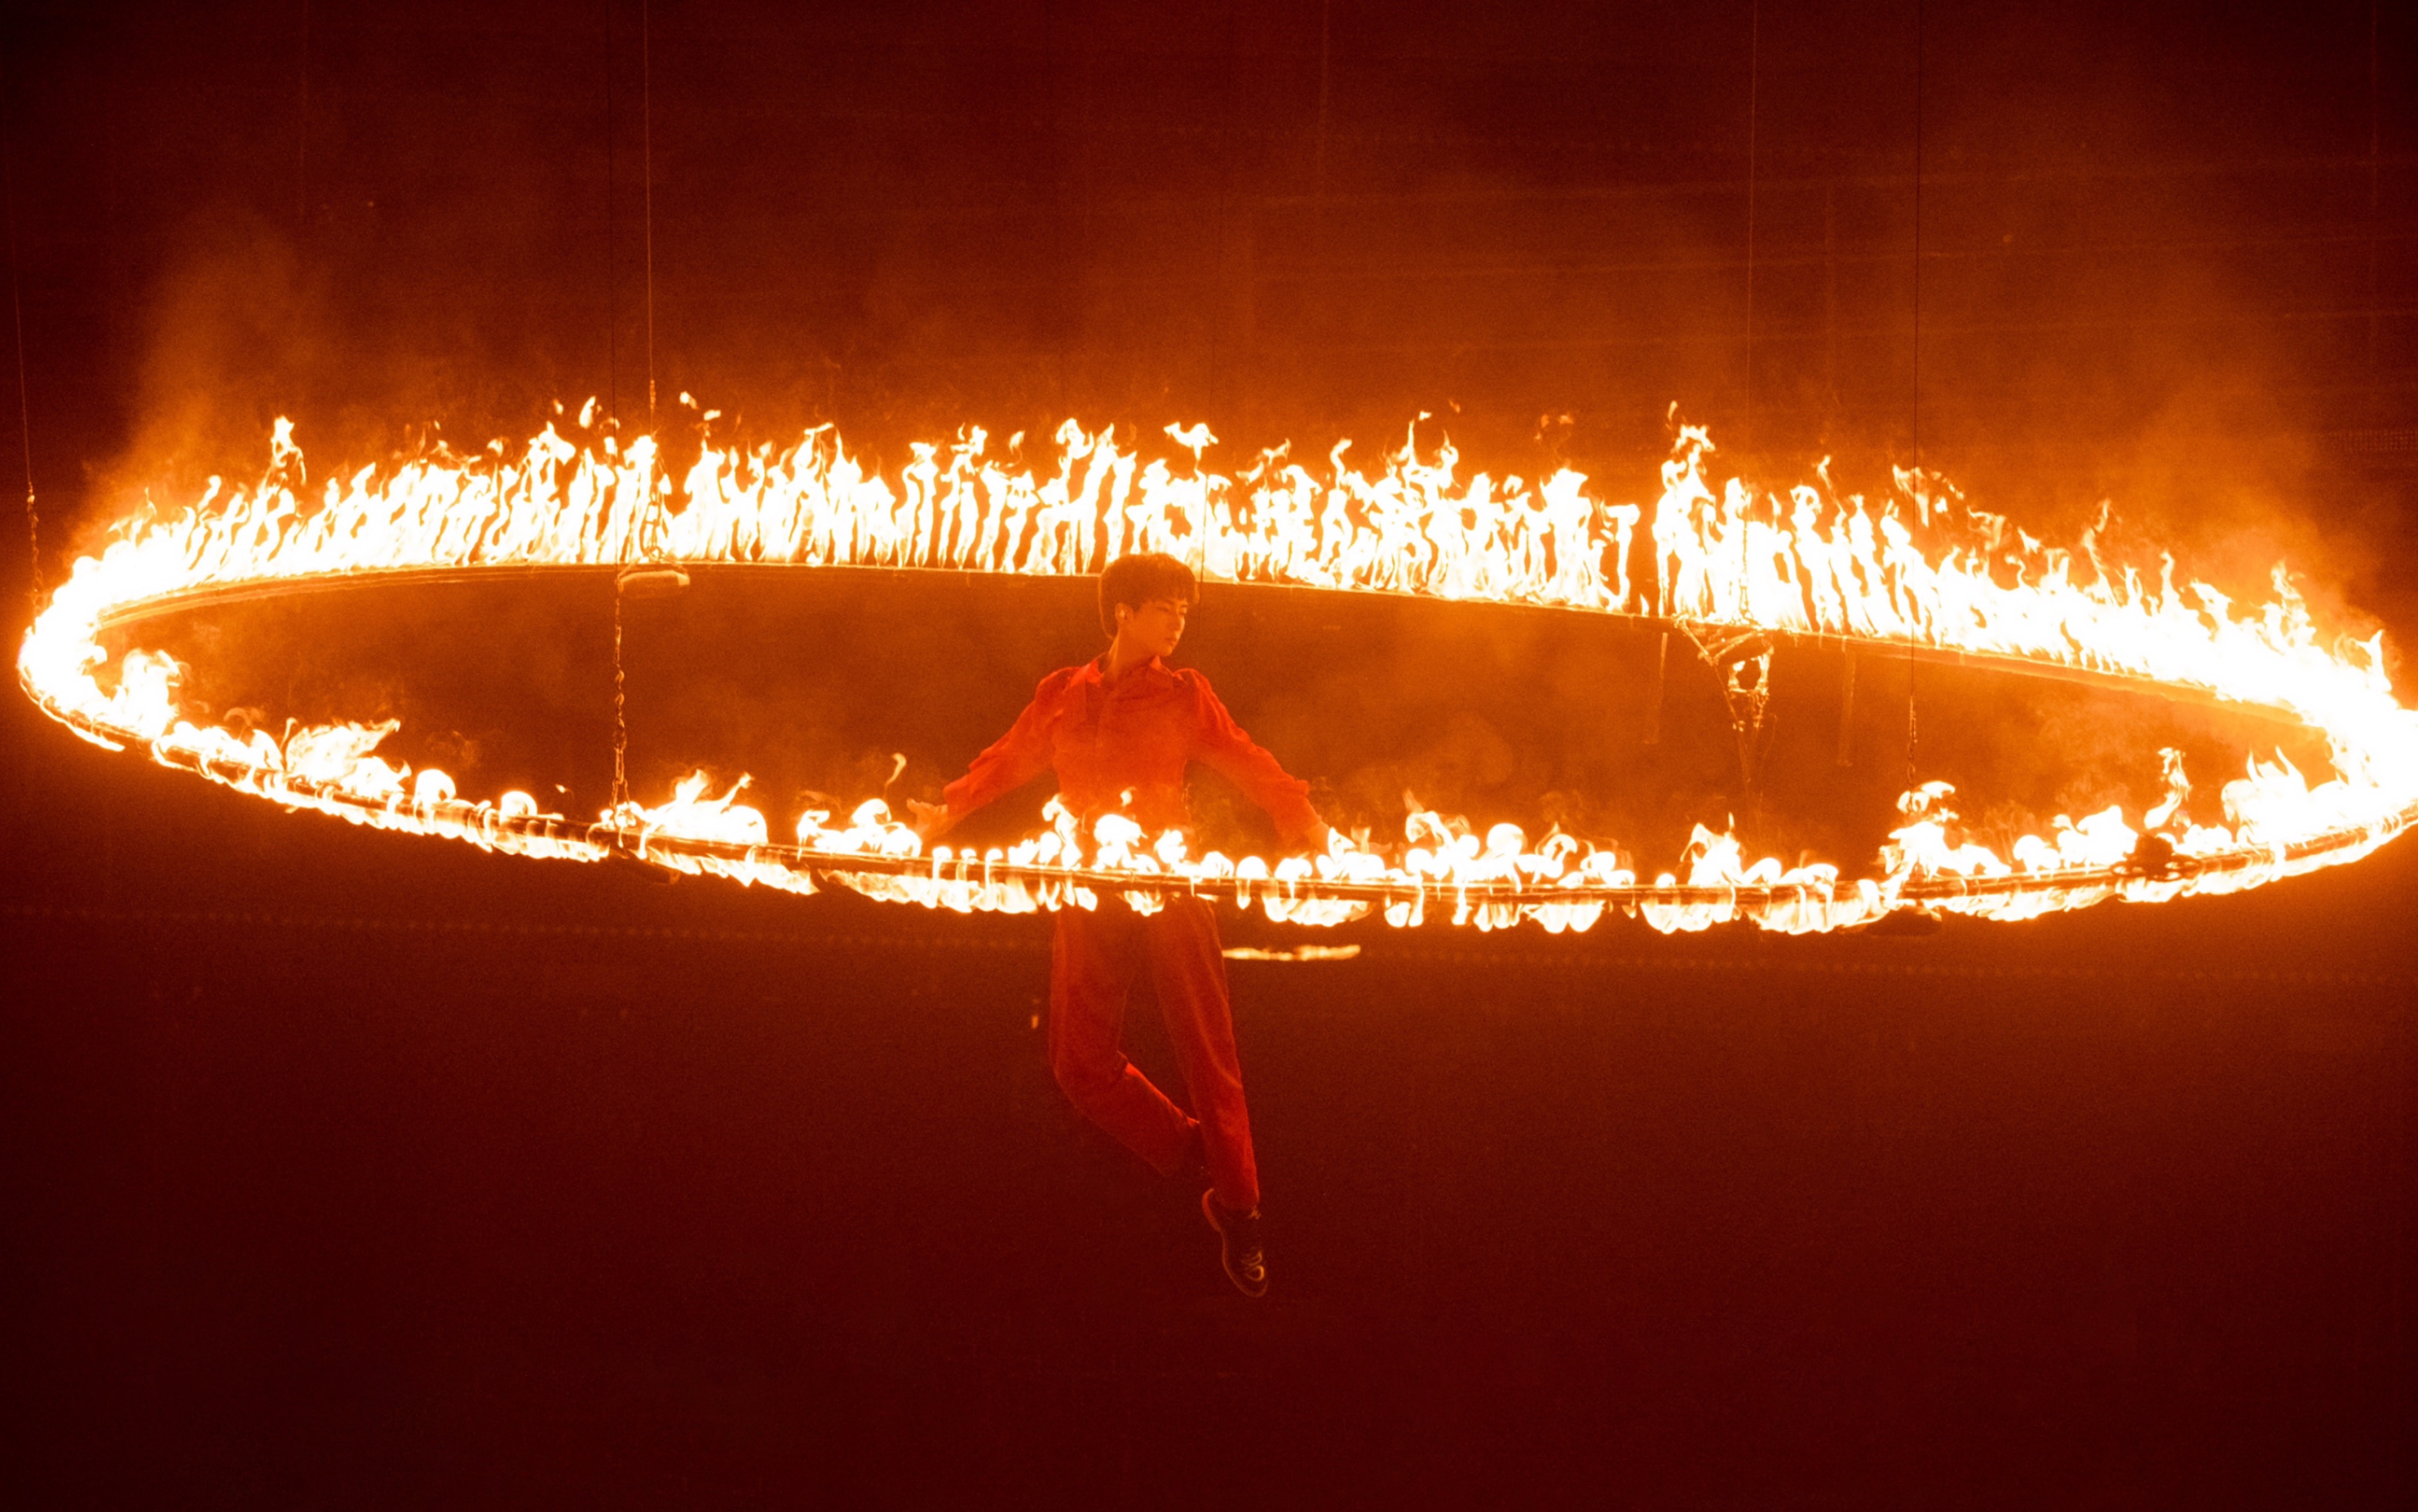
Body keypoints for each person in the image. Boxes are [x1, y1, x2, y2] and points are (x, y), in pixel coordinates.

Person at [911, 552, 1329, 1298]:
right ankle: (1194, 1148)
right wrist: (951, 811)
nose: (1177, 619)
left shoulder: (1183, 694)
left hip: (1164, 883)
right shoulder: (1062, 693)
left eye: (1183, 608)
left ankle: (1241, 1213)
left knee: (1208, 1046)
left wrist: (1297, 815)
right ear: (1122, 613)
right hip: (1088, 886)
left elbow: (1242, 756)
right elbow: (1011, 757)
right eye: (1164, 605)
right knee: (1076, 1060)